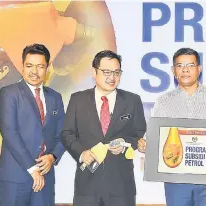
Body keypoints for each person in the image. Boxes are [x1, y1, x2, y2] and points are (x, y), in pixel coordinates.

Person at [137, 48, 206, 206]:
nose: (185, 70)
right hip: (176, 180)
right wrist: (145, 144)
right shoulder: (163, 101)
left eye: (190, 65)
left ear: (199, 69)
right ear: (173, 71)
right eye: (180, 65)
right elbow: (154, 137)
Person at [61, 50, 146, 206]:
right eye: (106, 72)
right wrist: (81, 153)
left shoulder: (132, 100)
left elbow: (138, 133)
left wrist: (125, 144)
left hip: (121, 185)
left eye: (116, 72)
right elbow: (67, 134)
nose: (112, 77)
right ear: (94, 72)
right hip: (87, 184)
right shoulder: (77, 100)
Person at [0, 44, 66, 206]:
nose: (34, 71)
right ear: (22, 66)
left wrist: (53, 156)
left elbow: (63, 132)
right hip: (15, 178)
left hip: (45, 177)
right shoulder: (8, 93)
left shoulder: (55, 97)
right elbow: (10, 133)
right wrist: (32, 169)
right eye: (29, 66)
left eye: (40, 66)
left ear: (47, 68)